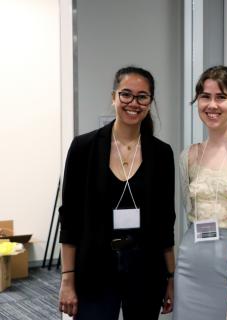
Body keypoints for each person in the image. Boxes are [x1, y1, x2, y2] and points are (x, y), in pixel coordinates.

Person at [58, 66, 176, 320]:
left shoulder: (162, 153)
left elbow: (166, 222)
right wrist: (67, 279)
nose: (133, 103)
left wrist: (170, 277)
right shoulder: (83, 148)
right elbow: (70, 219)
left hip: (146, 269)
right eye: (126, 94)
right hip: (95, 267)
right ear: (114, 97)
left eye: (142, 96)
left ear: (150, 102)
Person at [173, 65, 227, 320]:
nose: (212, 105)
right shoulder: (188, 156)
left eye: (221, 97)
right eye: (205, 96)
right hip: (192, 260)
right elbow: (188, 208)